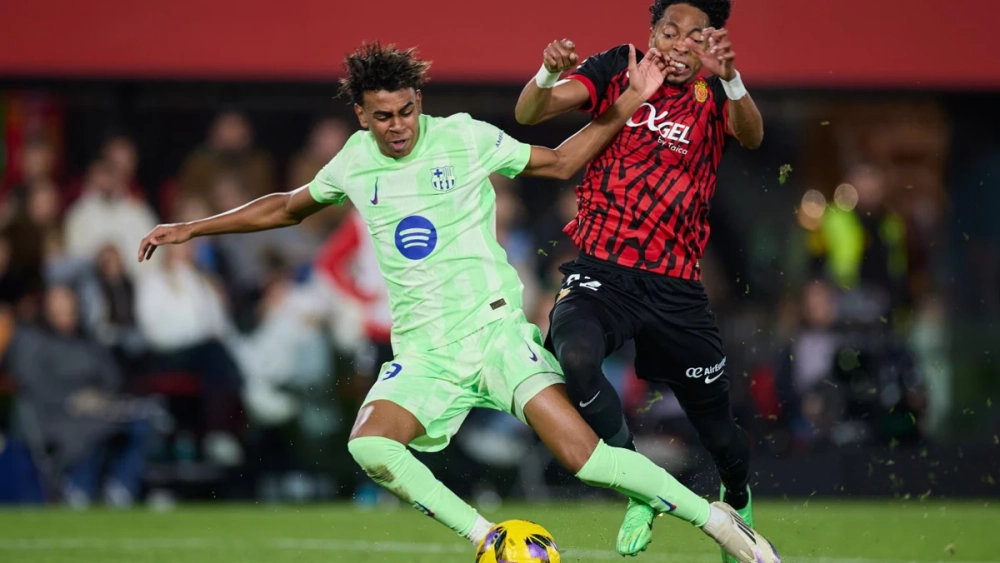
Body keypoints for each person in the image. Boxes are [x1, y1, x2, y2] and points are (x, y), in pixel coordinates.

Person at [137, 41, 777, 563]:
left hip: (496, 337)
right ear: (362, 114)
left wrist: (623, 107)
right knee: (370, 445)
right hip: (425, 354)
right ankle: (488, 539)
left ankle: (720, 523)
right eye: (383, 115)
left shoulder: (465, 138)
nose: (398, 126)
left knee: (586, 460)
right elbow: (285, 206)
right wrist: (194, 227)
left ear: (421, 101)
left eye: (407, 110)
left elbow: (557, 163)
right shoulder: (354, 161)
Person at [513, 0, 764, 557]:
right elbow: (532, 112)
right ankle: (641, 489)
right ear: (652, 32)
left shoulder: (717, 91)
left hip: (675, 286)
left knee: (720, 432)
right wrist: (548, 72)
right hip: (603, 270)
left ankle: (738, 499)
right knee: (573, 356)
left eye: (692, 36)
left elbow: (751, 136)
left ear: (709, 41)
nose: (677, 45)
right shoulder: (618, 69)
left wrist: (734, 82)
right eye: (668, 31)